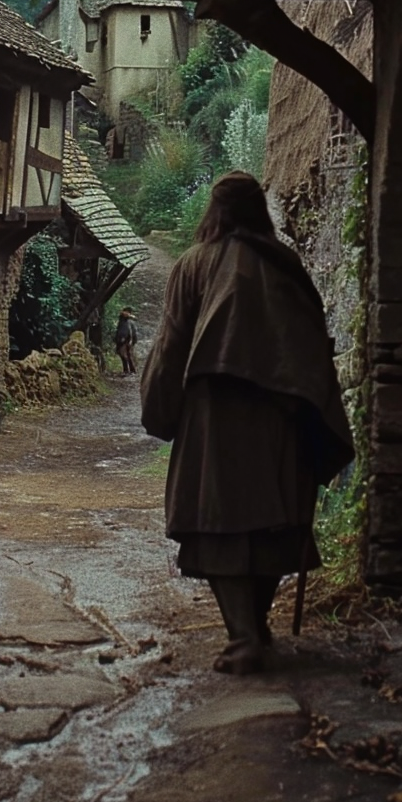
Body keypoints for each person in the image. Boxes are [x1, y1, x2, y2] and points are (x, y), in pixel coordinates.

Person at [140, 171, 354, 675]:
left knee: (221, 525)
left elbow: (172, 345)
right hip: (282, 419)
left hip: (216, 420)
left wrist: (160, 406)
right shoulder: (287, 265)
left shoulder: (194, 265)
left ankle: (244, 637)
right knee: (271, 522)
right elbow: (313, 346)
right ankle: (255, 630)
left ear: (213, 213)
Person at [115, 307, 139, 375]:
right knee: (126, 355)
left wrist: (125, 339)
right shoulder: (123, 320)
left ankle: (128, 370)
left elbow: (128, 331)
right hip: (124, 339)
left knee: (125, 355)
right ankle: (130, 370)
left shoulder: (127, 321)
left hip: (125, 340)